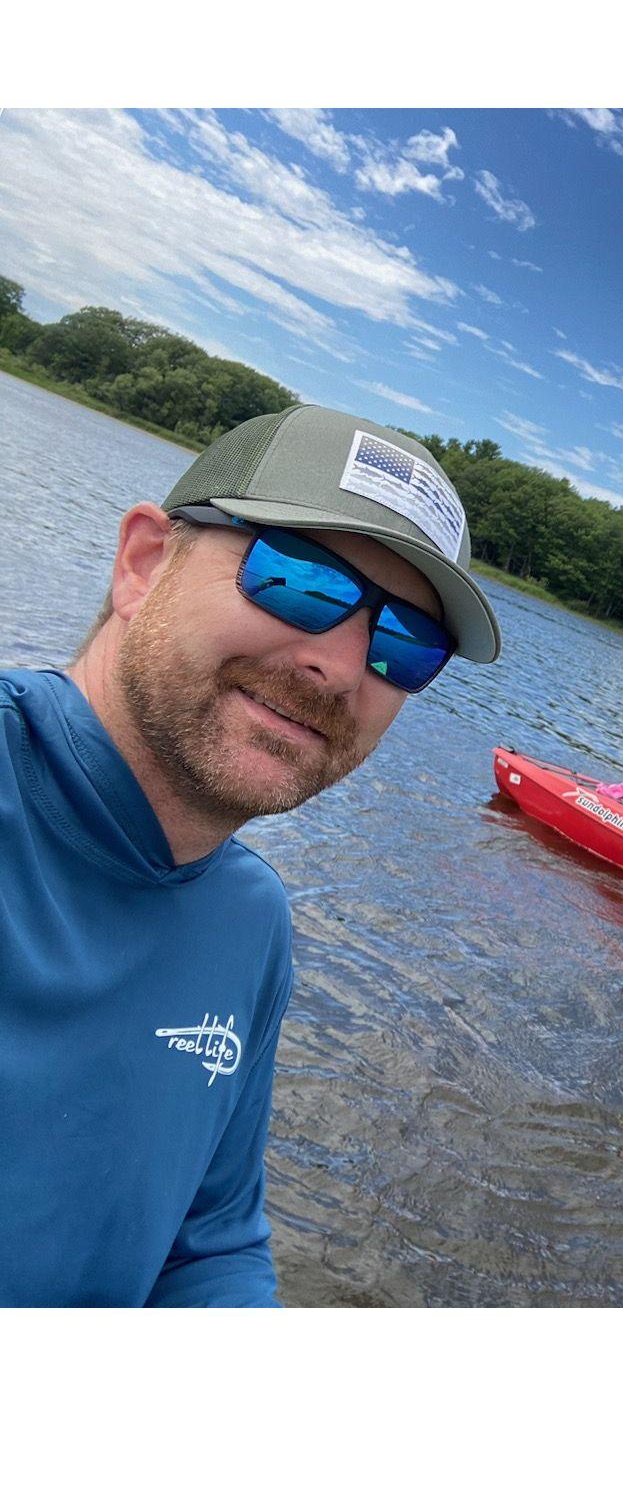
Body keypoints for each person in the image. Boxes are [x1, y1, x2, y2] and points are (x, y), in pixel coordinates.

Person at [0, 404, 501, 1307]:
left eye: (405, 644)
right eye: (298, 578)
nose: (342, 668)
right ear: (145, 564)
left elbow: (209, 1244)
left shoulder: (249, 922)